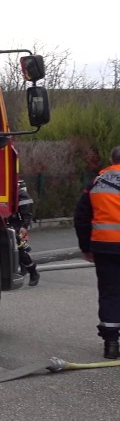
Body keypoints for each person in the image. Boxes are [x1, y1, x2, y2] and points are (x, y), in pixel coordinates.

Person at [74, 145, 120, 360]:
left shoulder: (98, 182)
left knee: (109, 293)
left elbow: (81, 217)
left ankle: (111, 345)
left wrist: (86, 247)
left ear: (112, 160)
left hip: (104, 247)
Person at [14, 180, 40, 286]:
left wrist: (25, 226)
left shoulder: (21, 194)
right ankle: (22, 268)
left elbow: (27, 211)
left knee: (20, 252)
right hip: (8, 225)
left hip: (17, 226)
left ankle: (33, 273)